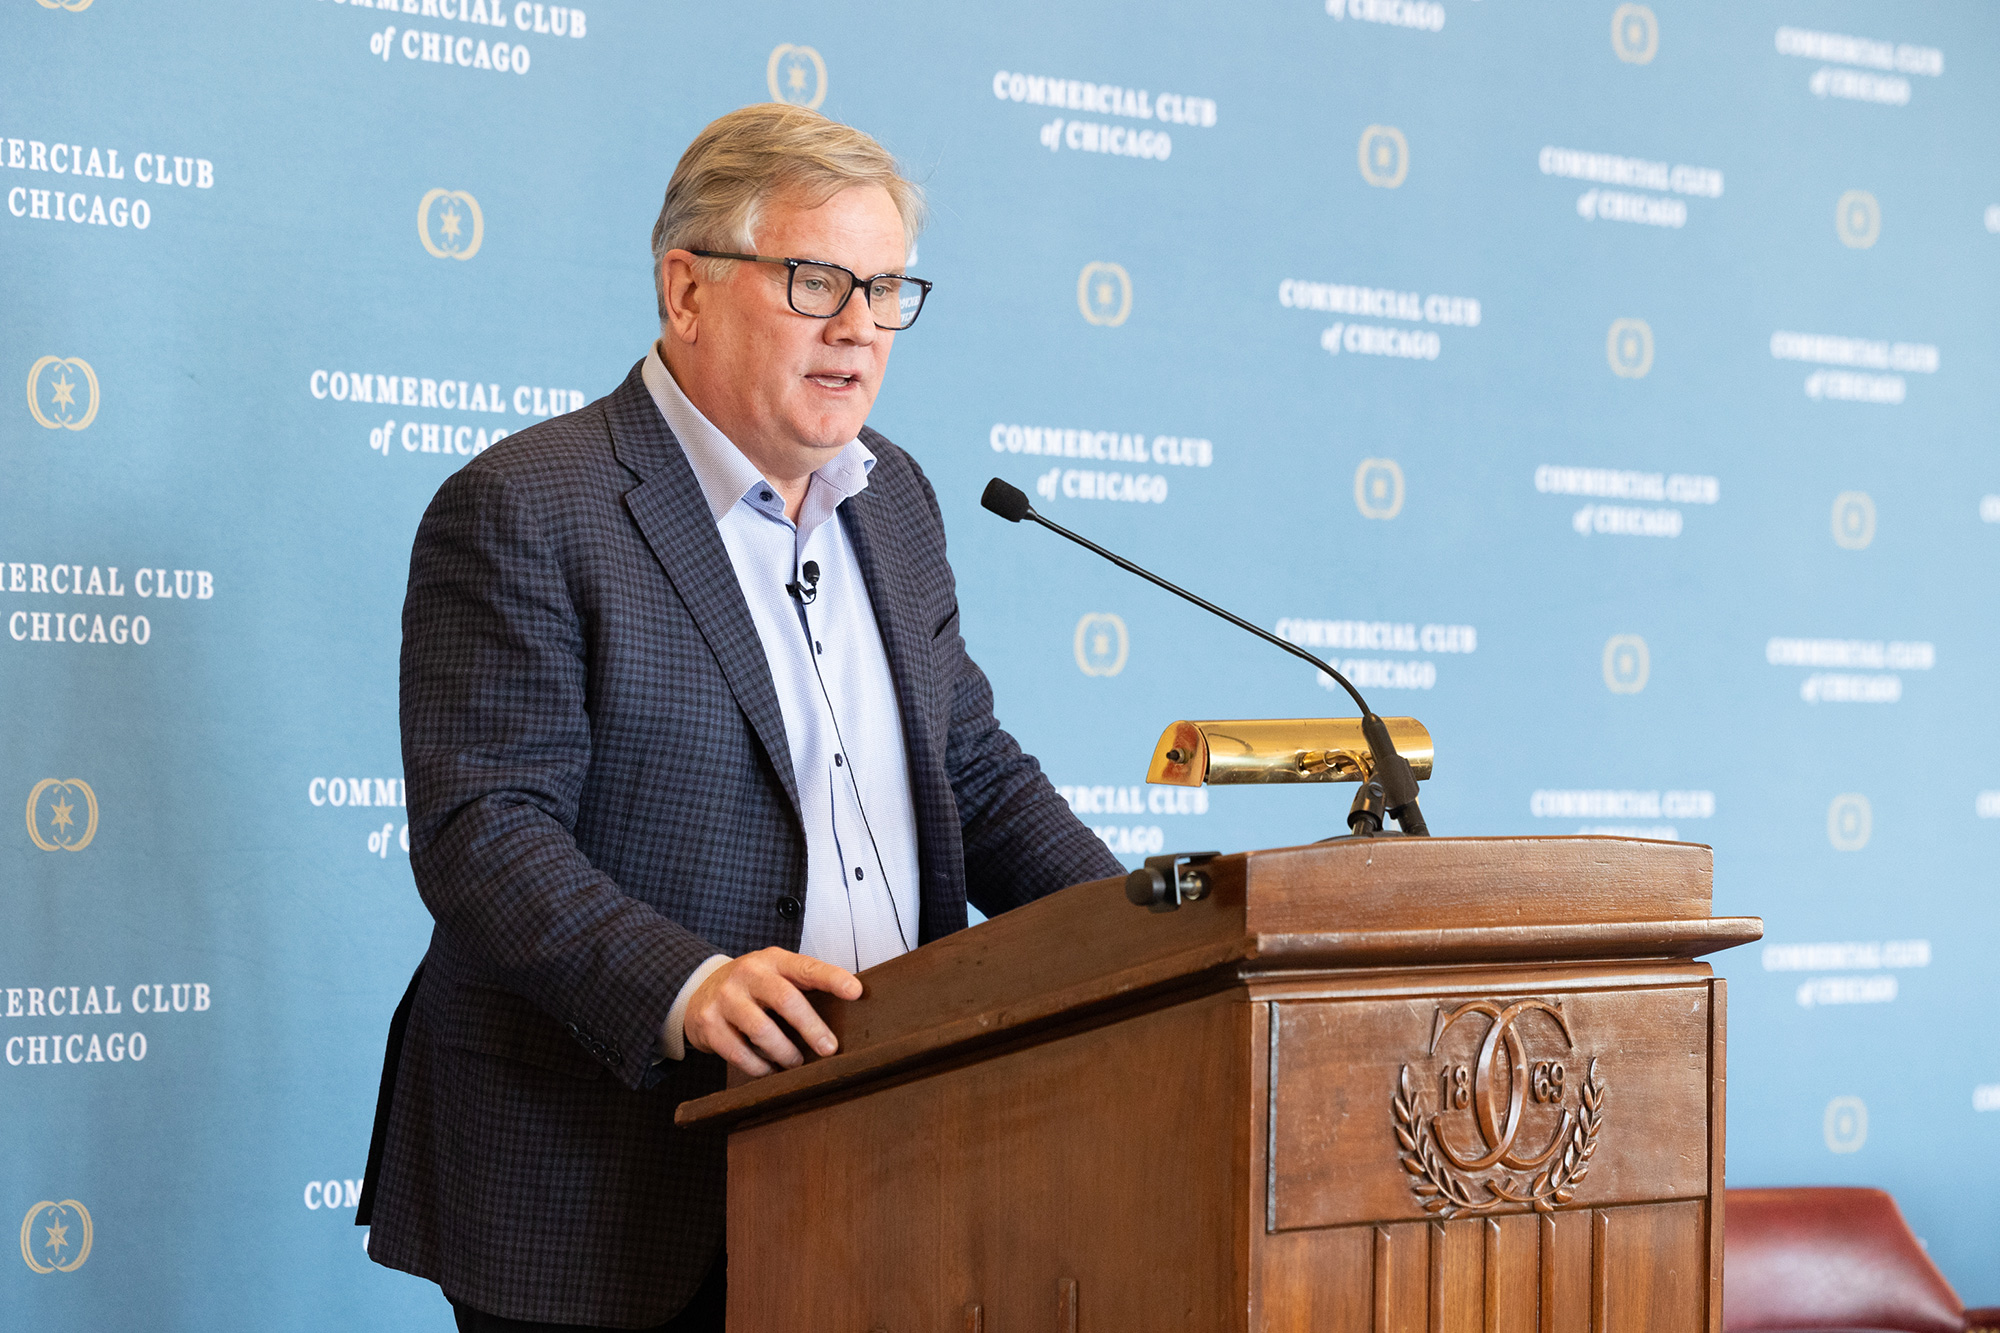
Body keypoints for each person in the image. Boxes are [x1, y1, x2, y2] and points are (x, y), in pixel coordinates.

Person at [356, 103, 1124, 1332]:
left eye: (883, 290)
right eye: (816, 279)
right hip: (599, 1171)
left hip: (871, 1146)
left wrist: (1138, 938)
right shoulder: (525, 508)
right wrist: (688, 982)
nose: (857, 328)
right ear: (686, 288)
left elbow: (967, 769)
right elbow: (484, 829)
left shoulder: (897, 498)